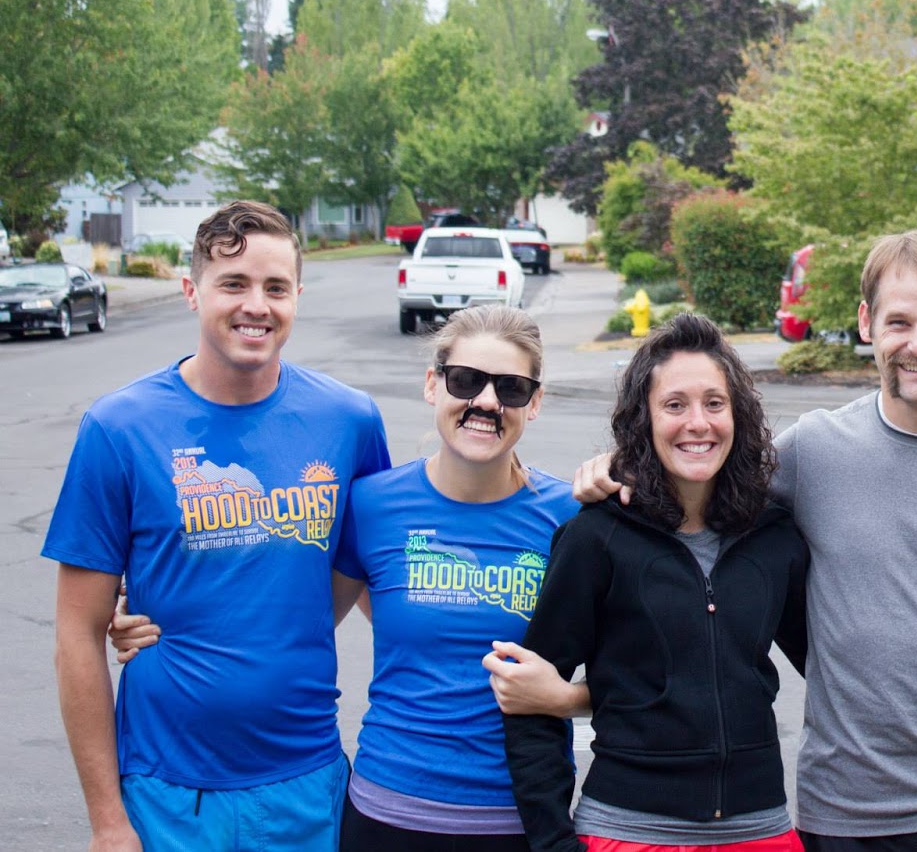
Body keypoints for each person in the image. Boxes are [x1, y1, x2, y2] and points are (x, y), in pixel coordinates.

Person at [567, 230, 917, 851]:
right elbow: (701, 467)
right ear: (867, 324)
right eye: (899, 323)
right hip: (843, 814)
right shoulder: (812, 451)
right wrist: (617, 464)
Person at [43, 200, 392, 851]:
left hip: (308, 784)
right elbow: (77, 635)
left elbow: (380, 580)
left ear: (297, 297)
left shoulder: (349, 421)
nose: (256, 305)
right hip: (167, 795)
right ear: (191, 291)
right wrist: (107, 820)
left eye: (276, 287)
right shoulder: (119, 428)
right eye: (233, 283)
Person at [499, 311, 808, 851]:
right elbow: (530, 702)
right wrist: (554, 844)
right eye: (675, 405)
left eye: (715, 403)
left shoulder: (773, 536)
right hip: (627, 831)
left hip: (761, 830)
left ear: (738, 414)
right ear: (644, 419)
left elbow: (833, 664)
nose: (698, 423)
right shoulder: (597, 537)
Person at [332, 304, 581, 849]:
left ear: (534, 402)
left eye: (511, 388)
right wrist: (156, 619)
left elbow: (640, 674)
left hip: (521, 820)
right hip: (387, 815)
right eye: (466, 380)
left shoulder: (571, 517)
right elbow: (294, 627)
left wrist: (566, 699)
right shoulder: (371, 505)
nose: (487, 401)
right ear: (433, 385)